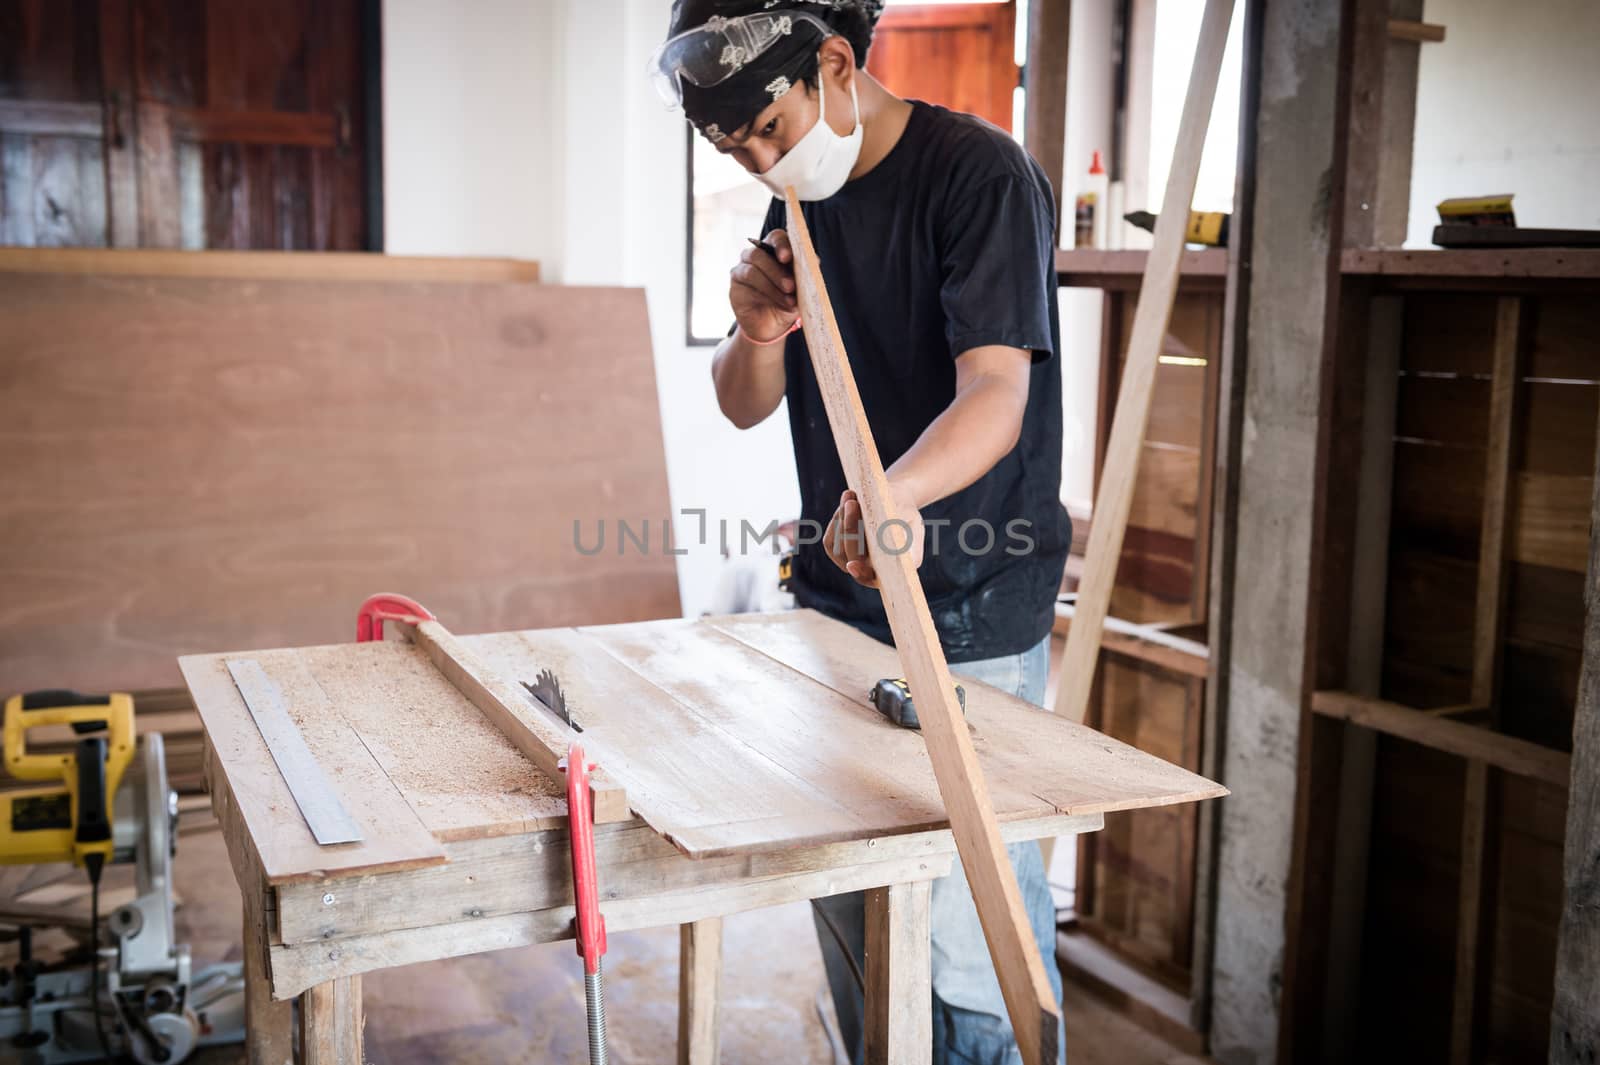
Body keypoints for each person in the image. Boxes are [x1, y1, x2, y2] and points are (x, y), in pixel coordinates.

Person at [651, 2, 1072, 1062]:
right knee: (852, 906)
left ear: (835, 64)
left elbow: (994, 395)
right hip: (839, 601)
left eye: (768, 129)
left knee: (975, 937)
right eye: (731, 147)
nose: (758, 161)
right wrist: (753, 331)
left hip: (972, 601)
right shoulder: (797, 195)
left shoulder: (976, 174)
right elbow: (744, 402)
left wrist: (891, 493)